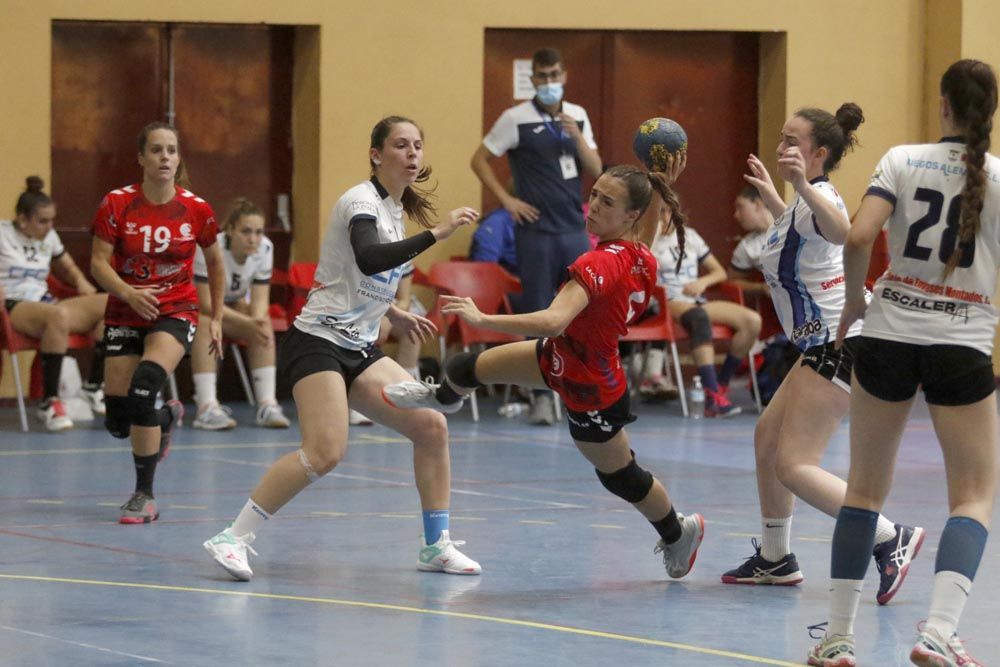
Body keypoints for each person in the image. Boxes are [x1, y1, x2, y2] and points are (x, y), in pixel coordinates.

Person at [385, 163, 706, 580]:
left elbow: (555, 320)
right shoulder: (640, 252)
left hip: (590, 383)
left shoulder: (600, 263)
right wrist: (661, 179)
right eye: (594, 194)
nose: (592, 206)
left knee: (622, 476)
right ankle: (438, 399)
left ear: (631, 216)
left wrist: (484, 320)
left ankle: (678, 532)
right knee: (468, 367)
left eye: (607, 202)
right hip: (561, 356)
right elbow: (643, 219)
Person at [203, 115, 481, 581]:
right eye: (400, 145)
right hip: (318, 342)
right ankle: (232, 537)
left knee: (432, 427)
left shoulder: (394, 210)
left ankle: (436, 546)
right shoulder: (361, 203)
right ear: (376, 154)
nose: (412, 153)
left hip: (359, 346)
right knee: (325, 451)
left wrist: (392, 312)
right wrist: (439, 232)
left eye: (418, 145)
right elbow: (370, 257)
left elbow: (355, 276)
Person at [810, 59, 998, 667]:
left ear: (942, 104)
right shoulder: (999, 179)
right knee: (971, 496)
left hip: (888, 332)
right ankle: (938, 633)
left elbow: (859, 237)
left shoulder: (900, 159)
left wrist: (857, 305)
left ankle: (839, 638)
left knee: (863, 488)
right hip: (963, 343)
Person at [720, 104, 924, 604]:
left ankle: (889, 537)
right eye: (782, 137)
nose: (783, 146)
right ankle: (775, 558)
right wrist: (776, 193)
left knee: (794, 464)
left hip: (844, 341)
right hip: (823, 342)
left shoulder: (821, 196)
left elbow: (843, 231)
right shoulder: (800, 204)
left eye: (794, 141)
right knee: (767, 439)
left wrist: (802, 188)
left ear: (820, 154)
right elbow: (802, 233)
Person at [90, 121, 226, 524]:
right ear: (141, 158)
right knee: (118, 420)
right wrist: (129, 293)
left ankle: (143, 495)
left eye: (171, 150)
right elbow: (98, 263)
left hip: (175, 309)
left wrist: (215, 317)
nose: (164, 157)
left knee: (145, 387)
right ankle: (168, 416)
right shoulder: (116, 204)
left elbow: (216, 263)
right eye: (156, 150)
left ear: (178, 158)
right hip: (125, 310)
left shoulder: (196, 209)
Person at [471, 47, 602, 426]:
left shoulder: (577, 114)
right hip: (535, 233)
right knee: (541, 313)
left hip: (574, 230)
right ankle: (540, 397)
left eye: (553, 75)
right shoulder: (515, 118)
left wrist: (577, 136)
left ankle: (582, 394)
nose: (548, 83)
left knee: (582, 314)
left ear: (564, 75)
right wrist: (507, 200)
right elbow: (478, 159)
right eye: (541, 77)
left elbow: (594, 167)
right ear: (534, 80)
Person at [0, 176, 108, 430]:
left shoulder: (49, 237)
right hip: (15, 306)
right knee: (56, 316)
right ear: (22, 218)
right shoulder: (2, 233)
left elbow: (67, 267)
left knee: (112, 304)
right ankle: (50, 402)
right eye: (42, 221)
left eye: (52, 220)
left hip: (46, 303)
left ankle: (94, 386)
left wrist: (82, 283)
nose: (49, 227)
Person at [189, 197, 290, 430]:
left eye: (258, 231)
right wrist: (246, 322)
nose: (253, 238)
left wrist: (254, 323)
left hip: (230, 307)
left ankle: (267, 404)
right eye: (246, 231)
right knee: (207, 322)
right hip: (196, 309)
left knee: (262, 325)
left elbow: (259, 304)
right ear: (231, 230)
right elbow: (205, 304)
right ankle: (206, 407)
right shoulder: (209, 245)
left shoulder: (265, 248)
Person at [648, 216, 762, 416]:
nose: (664, 218)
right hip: (667, 301)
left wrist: (702, 283)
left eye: (668, 212)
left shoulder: (690, 236)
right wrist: (653, 234)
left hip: (695, 300)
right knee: (699, 318)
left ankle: (721, 384)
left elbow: (720, 272)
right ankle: (712, 394)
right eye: (659, 212)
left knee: (752, 321)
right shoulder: (648, 241)